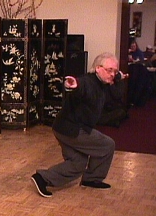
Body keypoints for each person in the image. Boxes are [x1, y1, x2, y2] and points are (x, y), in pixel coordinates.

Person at [31, 52, 128, 198]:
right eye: (109, 70)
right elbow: (80, 86)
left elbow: (117, 95)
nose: (112, 74)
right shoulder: (88, 82)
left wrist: (119, 77)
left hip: (63, 128)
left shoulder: (103, 83)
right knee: (108, 145)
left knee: (77, 163)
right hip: (72, 130)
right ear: (97, 68)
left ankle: (42, 178)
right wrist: (73, 85)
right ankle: (93, 178)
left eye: (115, 71)